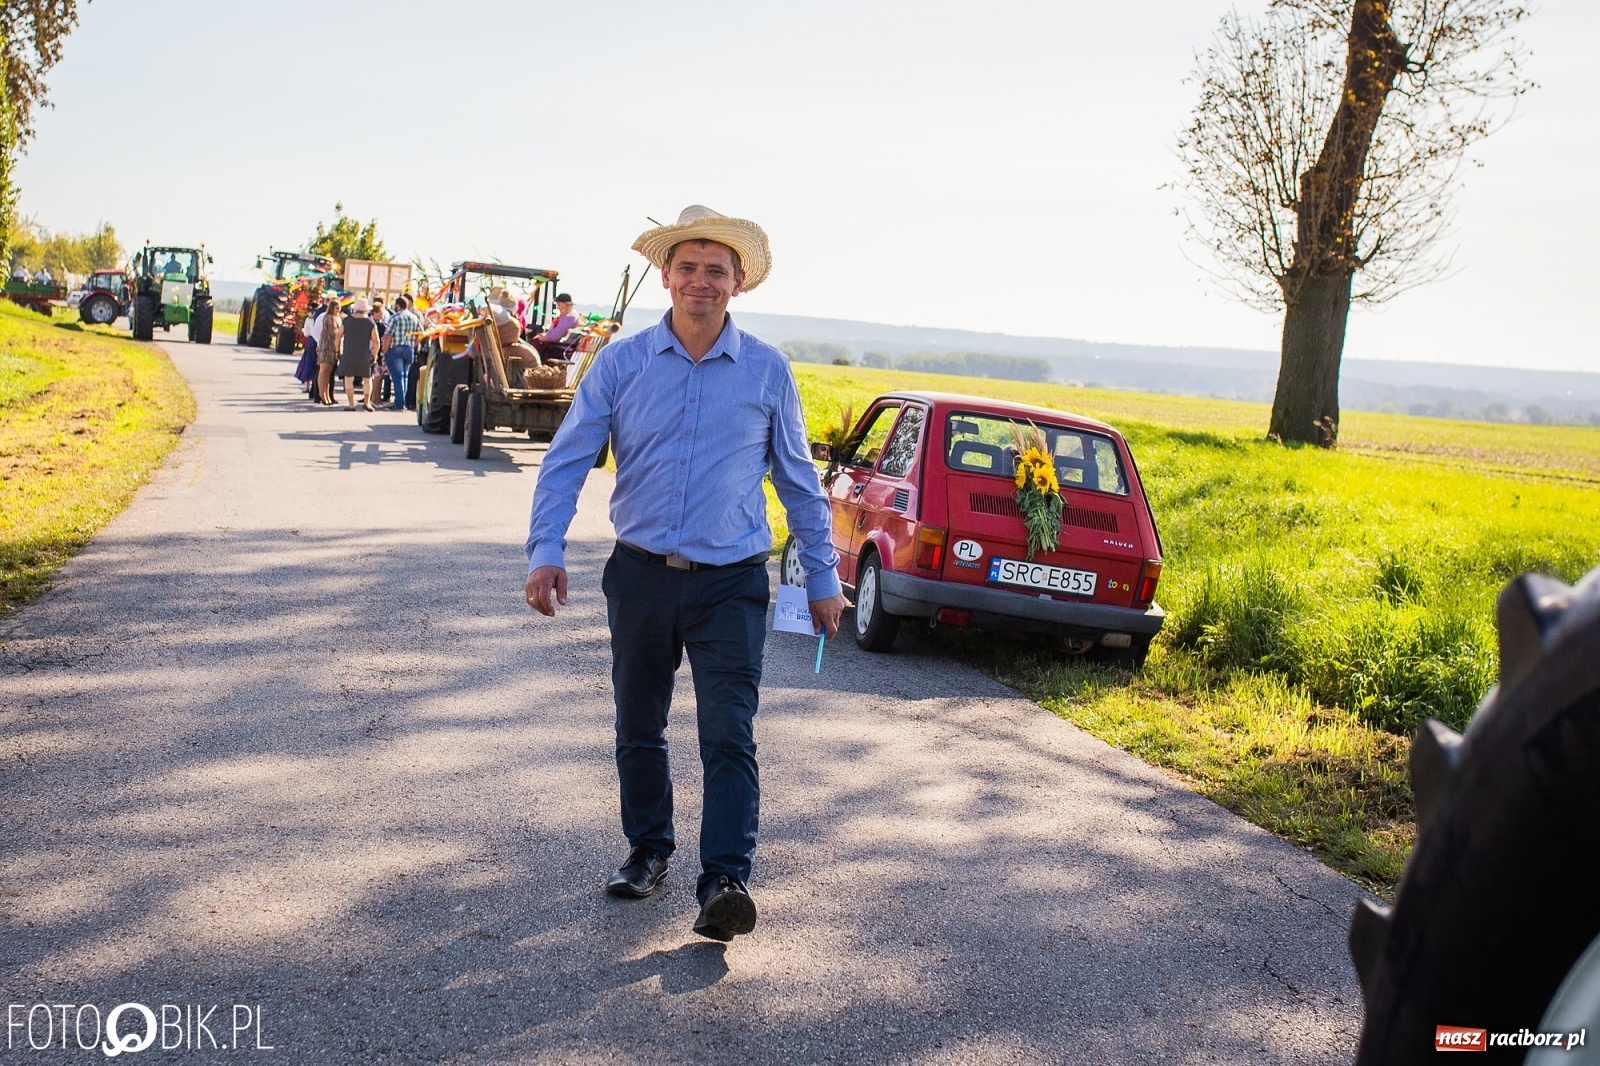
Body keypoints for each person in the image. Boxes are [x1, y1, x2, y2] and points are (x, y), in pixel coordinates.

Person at [523, 205, 845, 942]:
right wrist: (546, 549)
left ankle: (725, 880)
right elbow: (569, 457)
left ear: (737, 285)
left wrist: (822, 578)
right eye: (689, 268)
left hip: (731, 582)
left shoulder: (766, 370)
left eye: (717, 271)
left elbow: (798, 481)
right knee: (639, 723)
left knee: (729, 732)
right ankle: (648, 850)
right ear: (666, 277)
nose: (702, 281)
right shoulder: (622, 363)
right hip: (639, 575)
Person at [382, 295, 423, 411]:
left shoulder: (395, 317)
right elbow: (421, 333)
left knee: (397, 377)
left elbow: (388, 335)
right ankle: (401, 402)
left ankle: (399, 404)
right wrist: (415, 344)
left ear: (398, 305)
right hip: (409, 349)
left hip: (396, 349)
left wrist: (386, 350)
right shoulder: (414, 318)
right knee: (404, 376)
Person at [338, 298, 380, 411]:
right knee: (367, 379)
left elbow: (338, 336)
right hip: (364, 354)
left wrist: (338, 350)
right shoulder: (370, 323)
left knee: (348, 379)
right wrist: (374, 355)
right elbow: (376, 341)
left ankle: (351, 404)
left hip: (349, 353)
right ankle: (367, 402)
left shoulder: (347, 321)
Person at [531, 293, 579, 361]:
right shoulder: (565, 316)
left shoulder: (569, 318)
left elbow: (555, 336)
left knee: (536, 355)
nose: (557, 307)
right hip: (558, 348)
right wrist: (543, 335)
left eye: (559, 305)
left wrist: (543, 338)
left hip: (561, 351)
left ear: (565, 305)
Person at [316, 296, 343, 406]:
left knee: (329, 373)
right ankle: (322, 395)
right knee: (324, 371)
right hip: (326, 346)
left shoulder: (337, 318)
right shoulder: (328, 318)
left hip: (333, 347)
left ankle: (327, 395)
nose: (338, 310)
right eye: (337, 308)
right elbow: (334, 332)